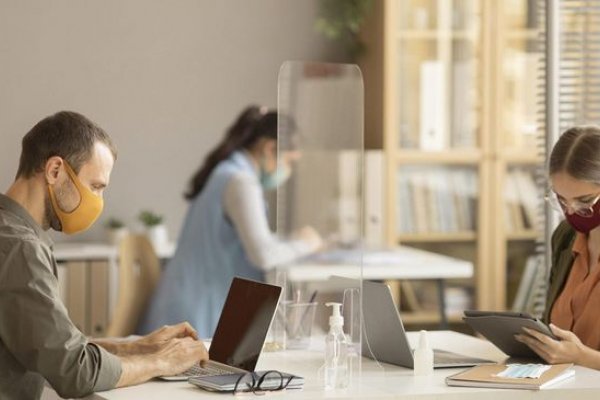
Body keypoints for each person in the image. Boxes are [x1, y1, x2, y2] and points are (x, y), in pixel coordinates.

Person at [0, 111, 209, 400]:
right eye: (95, 187)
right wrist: (162, 362)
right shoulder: (18, 247)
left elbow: (52, 345)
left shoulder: (13, 234)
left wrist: (136, 347)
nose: (98, 202)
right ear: (55, 170)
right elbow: (74, 371)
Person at [139, 105, 322, 338]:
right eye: (290, 161)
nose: (289, 170)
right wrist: (307, 243)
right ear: (270, 148)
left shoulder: (227, 172)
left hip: (186, 303)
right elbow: (263, 255)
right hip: (195, 315)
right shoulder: (240, 182)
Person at [515, 126, 600, 369]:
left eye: (585, 201)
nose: (571, 211)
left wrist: (581, 357)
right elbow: (553, 329)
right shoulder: (565, 236)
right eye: (561, 199)